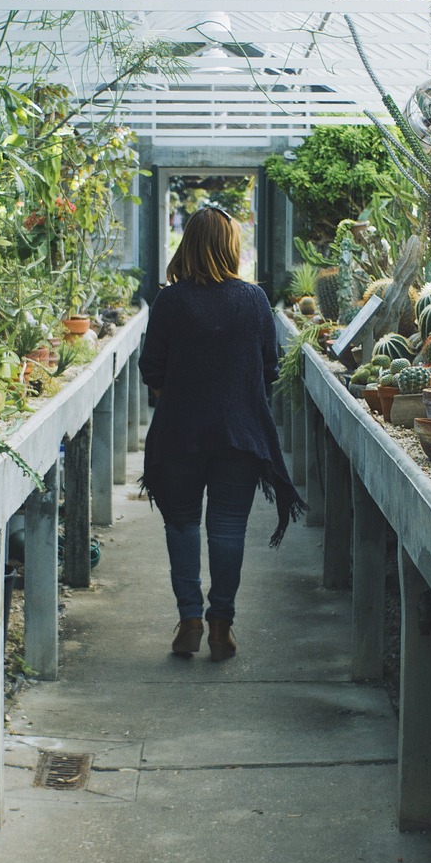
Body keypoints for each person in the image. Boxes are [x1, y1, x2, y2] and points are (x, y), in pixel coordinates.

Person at [139, 205, 305, 662]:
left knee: (183, 522)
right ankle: (221, 626)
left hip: (180, 434)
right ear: (230, 246)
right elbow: (268, 369)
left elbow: (151, 369)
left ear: (187, 243)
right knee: (228, 526)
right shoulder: (253, 300)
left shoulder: (169, 302)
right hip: (240, 433)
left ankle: (189, 620)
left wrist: (184, 391)